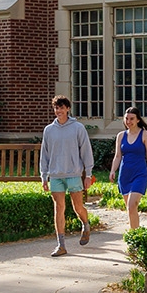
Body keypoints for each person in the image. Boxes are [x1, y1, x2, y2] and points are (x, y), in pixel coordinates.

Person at [38, 95, 96, 257]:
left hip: (73, 174)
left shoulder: (77, 128)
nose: (59, 111)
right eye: (56, 108)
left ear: (68, 109)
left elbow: (86, 151)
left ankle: (85, 223)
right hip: (56, 175)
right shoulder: (49, 130)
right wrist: (44, 176)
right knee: (59, 208)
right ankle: (61, 245)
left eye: (62, 108)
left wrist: (88, 174)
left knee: (78, 207)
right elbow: (44, 155)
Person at [108, 107, 147, 234]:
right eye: (126, 119)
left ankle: (135, 235)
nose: (128, 121)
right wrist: (113, 170)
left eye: (132, 119)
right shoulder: (121, 136)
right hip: (124, 175)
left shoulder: (145, 135)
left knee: (132, 205)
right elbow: (117, 156)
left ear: (138, 120)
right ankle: (134, 233)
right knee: (130, 209)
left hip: (139, 174)